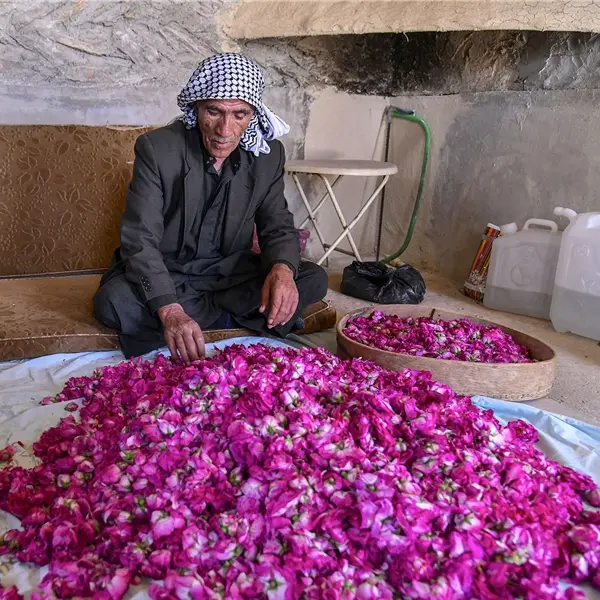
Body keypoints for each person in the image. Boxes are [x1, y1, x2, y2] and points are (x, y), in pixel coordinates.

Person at [93, 53, 328, 361]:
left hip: (230, 273)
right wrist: (170, 309)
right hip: (170, 273)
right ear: (197, 108)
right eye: (214, 112)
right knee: (112, 301)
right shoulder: (158, 149)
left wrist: (282, 271)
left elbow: (278, 227)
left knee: (312, 277)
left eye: (240, 115)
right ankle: (230, 321)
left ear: (253, 115)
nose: (225, 130)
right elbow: (139, 240)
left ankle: (205, 321)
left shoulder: (267, 155)